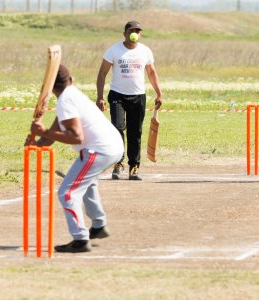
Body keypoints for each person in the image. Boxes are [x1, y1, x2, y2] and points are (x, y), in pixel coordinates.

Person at [27, 64, 124, 253]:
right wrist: (36, 143)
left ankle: (80, 239)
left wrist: (44, 131)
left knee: (67, 193)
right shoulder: (72, 95)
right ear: (71, 80)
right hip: (113, 147)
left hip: (99, 150)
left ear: (50, 87)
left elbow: (75, 137)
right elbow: (53, 134)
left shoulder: (66, 101)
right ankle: (98, 225)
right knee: (87, 182)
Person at [96, 20, 163, 181]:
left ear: (140, 34)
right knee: (118, 128)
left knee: (135, 132)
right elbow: (102, 74)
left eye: (138, 31)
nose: (135, 33)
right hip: (117, 95)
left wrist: (159, 93)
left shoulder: (145, 51)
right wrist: (99, 97)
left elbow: (151, 73)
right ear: (124, 33)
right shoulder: (114, 50)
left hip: (138, 96)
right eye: (132, 30)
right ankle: (118, 164)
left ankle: (134, 166)